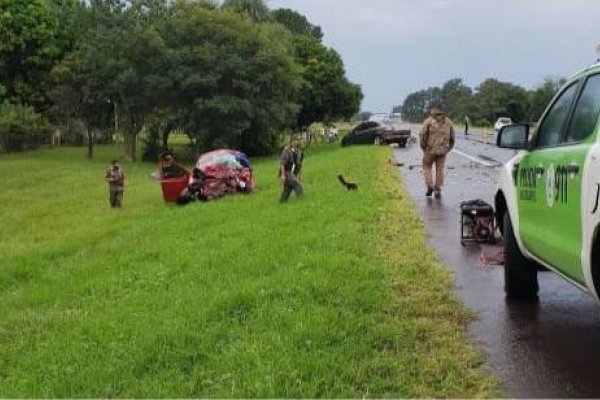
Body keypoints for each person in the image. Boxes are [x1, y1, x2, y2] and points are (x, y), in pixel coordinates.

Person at [419, 105, 455, 198]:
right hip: (443, 150)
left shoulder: (428, 121)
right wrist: (448, 149)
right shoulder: (448, 122)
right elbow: (452, 138)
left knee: (427, 167)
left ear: (432, 112)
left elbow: (422, 135)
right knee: (440, 169)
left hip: (429, 150)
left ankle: (430, 186)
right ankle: (437, 190)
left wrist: (423, 147)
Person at [279, 135, 304, 203]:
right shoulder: (287, 151)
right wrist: (283, 175)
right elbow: (282, 163)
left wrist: (299, 175)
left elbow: (299, 165)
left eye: (297, 140)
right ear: (291, 142)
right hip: (287, 172)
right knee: (298, 185)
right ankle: (300, 201)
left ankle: (282, 202)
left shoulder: (299, 152)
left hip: (293, 173)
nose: (296, 142)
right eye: (294, 141)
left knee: (287, 189)